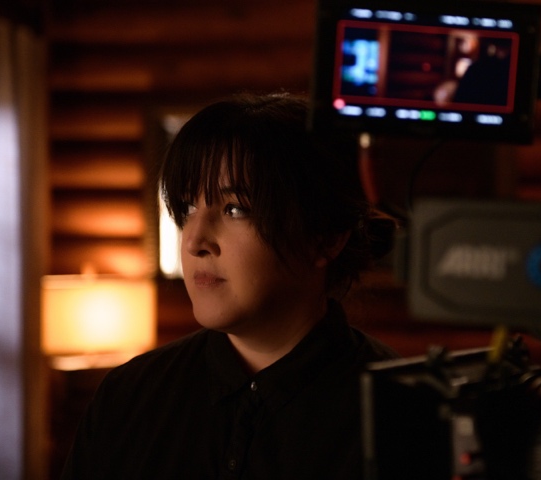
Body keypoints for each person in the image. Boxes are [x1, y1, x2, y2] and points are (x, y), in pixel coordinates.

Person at [61, 93, 398, 479]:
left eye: (234, 209)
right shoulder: (130, 396)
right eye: (188, 208)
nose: (194, 241)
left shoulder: (398, 411)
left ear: (326, 238)